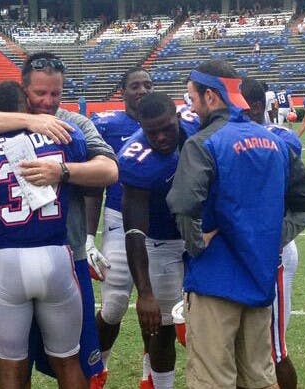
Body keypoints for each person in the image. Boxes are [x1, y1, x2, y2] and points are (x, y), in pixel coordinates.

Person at [0, 52, 117, 387]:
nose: (49, 101)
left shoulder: (72, 124)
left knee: (23, 367)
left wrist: (62, 171)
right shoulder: (58, 131)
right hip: (57, 259)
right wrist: (30, 122)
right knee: (62, 361)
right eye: (41, 94)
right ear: (23, 89)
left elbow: (109, 170)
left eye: (56, 94)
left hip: (36, 256)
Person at [167, 60, 305, 389]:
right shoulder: (274, 141)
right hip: (259, 279)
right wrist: (272, 236)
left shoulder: (203, 142)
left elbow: (182, 203)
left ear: (211, 96)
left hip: (214, 280)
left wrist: (196, 243)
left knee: (212, 379)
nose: (190, 107)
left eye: (192, 98)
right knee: (259, 378)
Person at [86, 67, 153, 386]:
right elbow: (94, 185)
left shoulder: (167, 122)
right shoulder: (107, 126)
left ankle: (150, 374)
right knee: (112, 307)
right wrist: (87, 237)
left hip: (159, 226)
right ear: (122, 91)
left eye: (147, 85)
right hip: (118, 220)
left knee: (159, 307)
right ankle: (100, 366)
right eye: (135, 86)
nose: (142, 90)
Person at [120, 92, 191, 389]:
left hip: (201, 236)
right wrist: (144, 291)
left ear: (177, 116)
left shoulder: (197, 126)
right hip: (162, 242)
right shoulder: (136, 160)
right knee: (164, 327)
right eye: (152, 132)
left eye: (166, 128)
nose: (161, 137)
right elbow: (135, 230)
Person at [241, 76, 303, 389]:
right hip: (251, 251)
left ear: (251, 106)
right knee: (251, 347)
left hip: (273, 252)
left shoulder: (279, 137)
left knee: (274, 347)